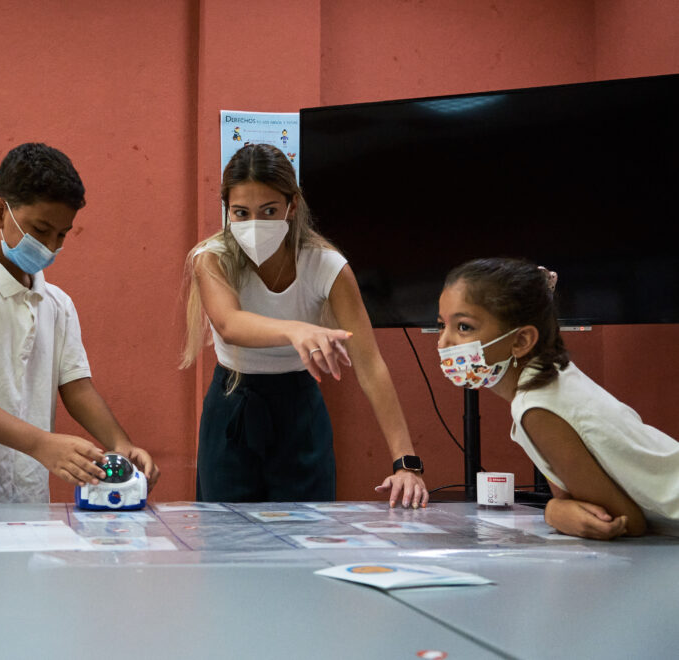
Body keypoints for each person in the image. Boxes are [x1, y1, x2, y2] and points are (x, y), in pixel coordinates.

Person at [0, 142, 159, 503]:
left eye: (62, 235)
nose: (51, 246)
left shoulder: (57, 305)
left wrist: (120, 443)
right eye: (40, 230)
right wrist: (42, 444)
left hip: (24, 493)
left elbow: (77, 387)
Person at [180, 143, 428, 506]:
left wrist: (406, 463)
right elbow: (229, 324)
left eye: (268, 211)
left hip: (299, 409)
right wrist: (295, 329)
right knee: (225, 543)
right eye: (240, 212)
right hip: (232, 404)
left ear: (292, 205)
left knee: (307, 539)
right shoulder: (212, 258)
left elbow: (370, 364)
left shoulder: (326, 265)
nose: (254, 225)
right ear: (227, 210)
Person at [437, 257, 679, 539]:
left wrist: (553, 510)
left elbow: (622, 522)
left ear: (521, 341)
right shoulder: (550, 382)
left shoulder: (537, 408)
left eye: (464, 327)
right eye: (441, 325)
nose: (443, 342)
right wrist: (559, 507)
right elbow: (572, 494)